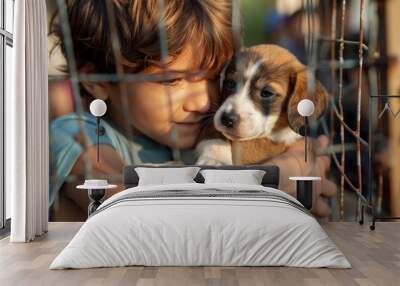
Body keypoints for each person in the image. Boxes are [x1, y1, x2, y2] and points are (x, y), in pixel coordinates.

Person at [49, 0, 336, 220]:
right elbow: (128, 203)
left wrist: (300, 163)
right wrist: (280, 177)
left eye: (215, 78)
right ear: (98, 82)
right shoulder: (75, 134)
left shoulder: (207, 129)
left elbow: (293, 151)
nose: (203, 102)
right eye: (172, 79)